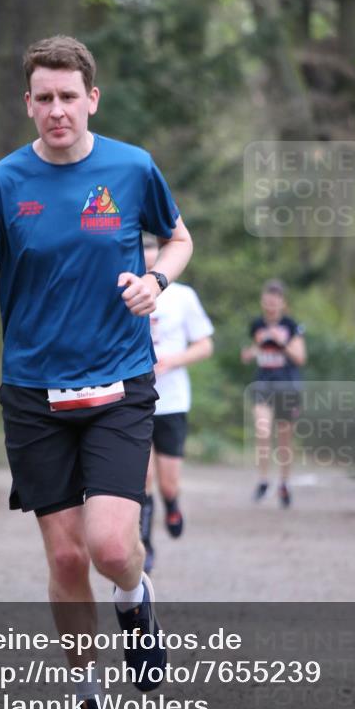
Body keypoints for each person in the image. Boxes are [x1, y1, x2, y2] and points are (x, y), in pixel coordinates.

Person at [0, 36, 193, 709]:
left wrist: (158, 281)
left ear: (92, 98)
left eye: (68, 96)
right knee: (63, 562)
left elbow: (176, 241)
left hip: (119, 385)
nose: (56, 109)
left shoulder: (131, 167)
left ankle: (134, 597)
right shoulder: (0, 184)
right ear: (27, 104)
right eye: (43, 98)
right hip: (32, 392)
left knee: (111, 546)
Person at [139, 235, 213, 573]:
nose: (147, 254)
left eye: (152, 247)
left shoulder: (183, 297)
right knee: (142, 479)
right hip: (134, 401)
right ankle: (145, 545)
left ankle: (172, 504)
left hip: (172, 401)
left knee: (168, 482)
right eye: (140, 248)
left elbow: (205, 345)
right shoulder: (122, 291)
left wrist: (172, 360)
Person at [240, 279, 307, 508]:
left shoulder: (291, 326)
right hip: (263, 384)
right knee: (262, 429)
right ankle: (263, 480)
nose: (270, 306)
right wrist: (252, 351)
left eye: (275, 302)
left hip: (287, 386)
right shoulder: (256, 325)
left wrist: (282, 341)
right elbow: (251, 352)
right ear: (262, 302)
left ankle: (284, 483)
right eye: (267, 302)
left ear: (282, 303)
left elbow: (300, 358)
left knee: (284, 438)